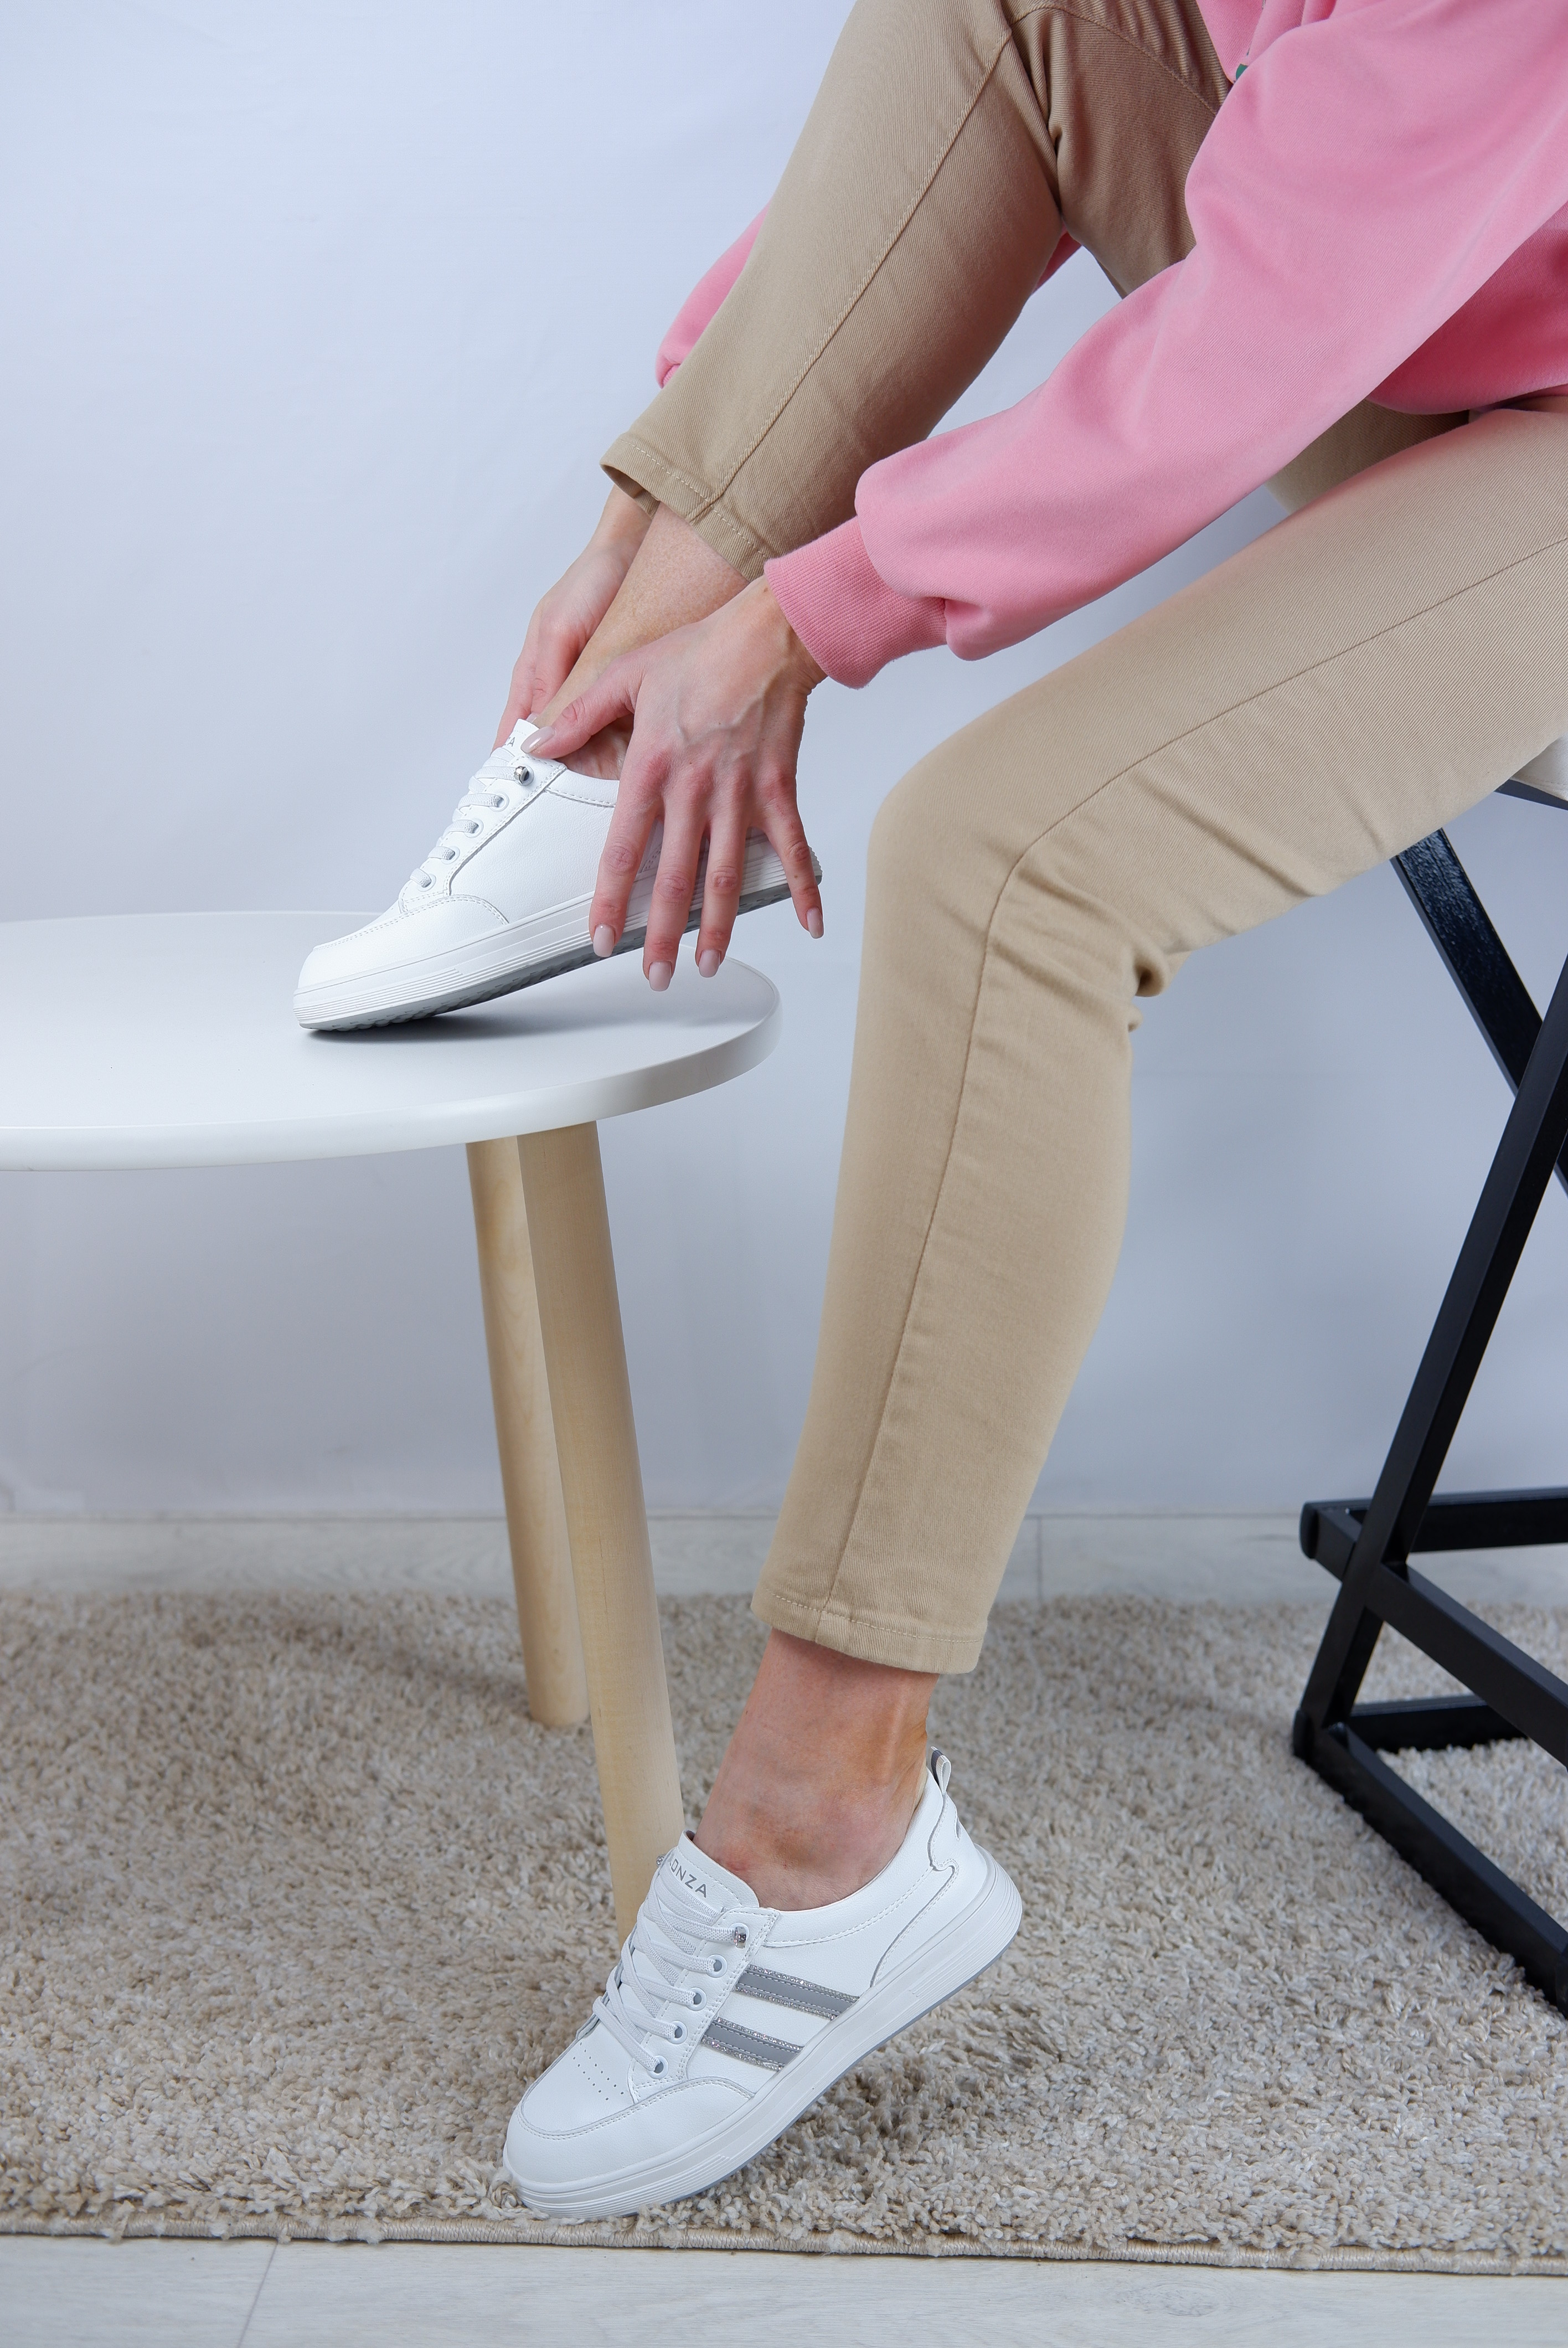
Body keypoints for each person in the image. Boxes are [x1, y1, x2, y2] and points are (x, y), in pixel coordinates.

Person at [341, 0, 1568, 2217]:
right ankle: (607, 738)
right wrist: (673, 516)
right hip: (1470, 310)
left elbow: (1256, 338)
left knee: (1010, 870)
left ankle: (832, 1827)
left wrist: (805, 620)